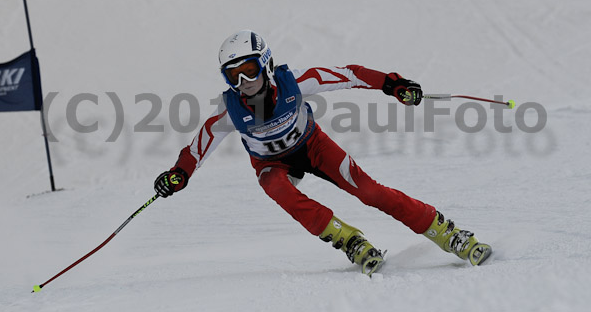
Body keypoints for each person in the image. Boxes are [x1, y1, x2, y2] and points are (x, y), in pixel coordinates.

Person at [154, 30, 492, 275]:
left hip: (313, 147)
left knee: (370, 191)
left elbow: (350, 75)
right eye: (233, 75)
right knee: (274, 186)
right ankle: (347, 240)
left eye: (250, 70)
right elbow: (198, 148)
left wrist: (393, 85)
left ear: (266, 64)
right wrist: (178, 175)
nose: (244, 81)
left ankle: (447, 233)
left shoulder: (297, 82)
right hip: (272, 162)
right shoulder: (229, 110)